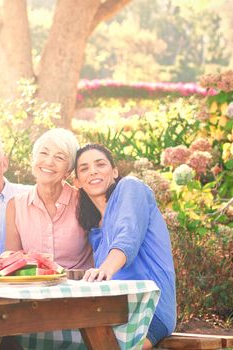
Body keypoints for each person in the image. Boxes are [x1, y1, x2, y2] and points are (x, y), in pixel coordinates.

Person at [74, 143, 176, 349]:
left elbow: (127, 235)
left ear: (114, 171)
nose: (93, 170)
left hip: (149, 309)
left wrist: (104, 270)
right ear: (77, 182)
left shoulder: (131, 187)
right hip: (110, 312)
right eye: (84, 168)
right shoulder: (94, 230)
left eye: (100, 164)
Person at [5, 128, 93, 270]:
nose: (49, 162)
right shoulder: (15, 206)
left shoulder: (83, 201)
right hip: (35, 288)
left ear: (69, 171)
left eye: (59, 157)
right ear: (33, 160)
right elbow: (12, 262)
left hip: (79, 288)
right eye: (44, 153)